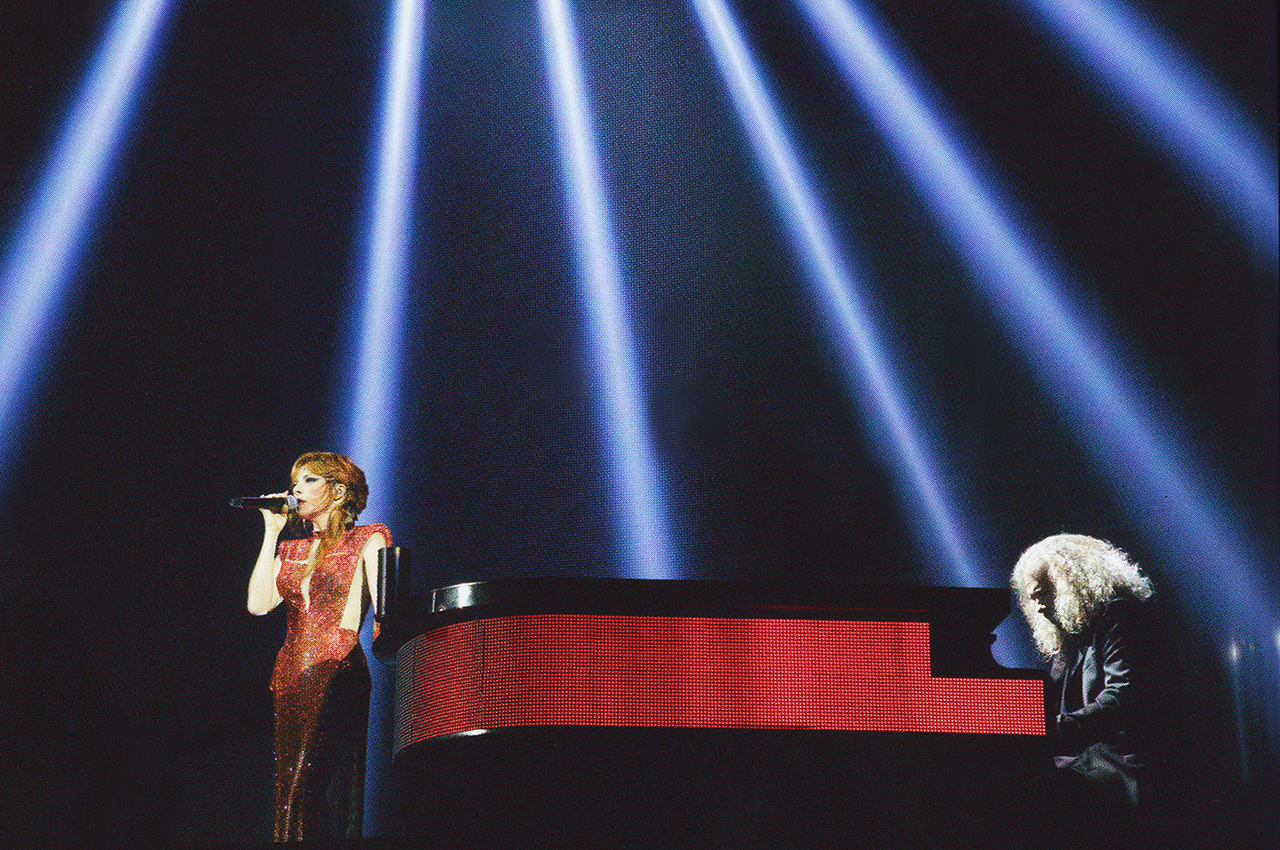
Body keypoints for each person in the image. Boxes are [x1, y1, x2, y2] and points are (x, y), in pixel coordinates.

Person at [247, 451, 391, 842]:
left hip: (336, 666)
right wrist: (272, 531)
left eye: (310, 480)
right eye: (296, 481)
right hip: (290, 672)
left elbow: (387, 608)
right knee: (290, 785)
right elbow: (259, 604)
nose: (296, 489)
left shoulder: (369, 537)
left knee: (309, 785)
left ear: (340, 491)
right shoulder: (291, 550)